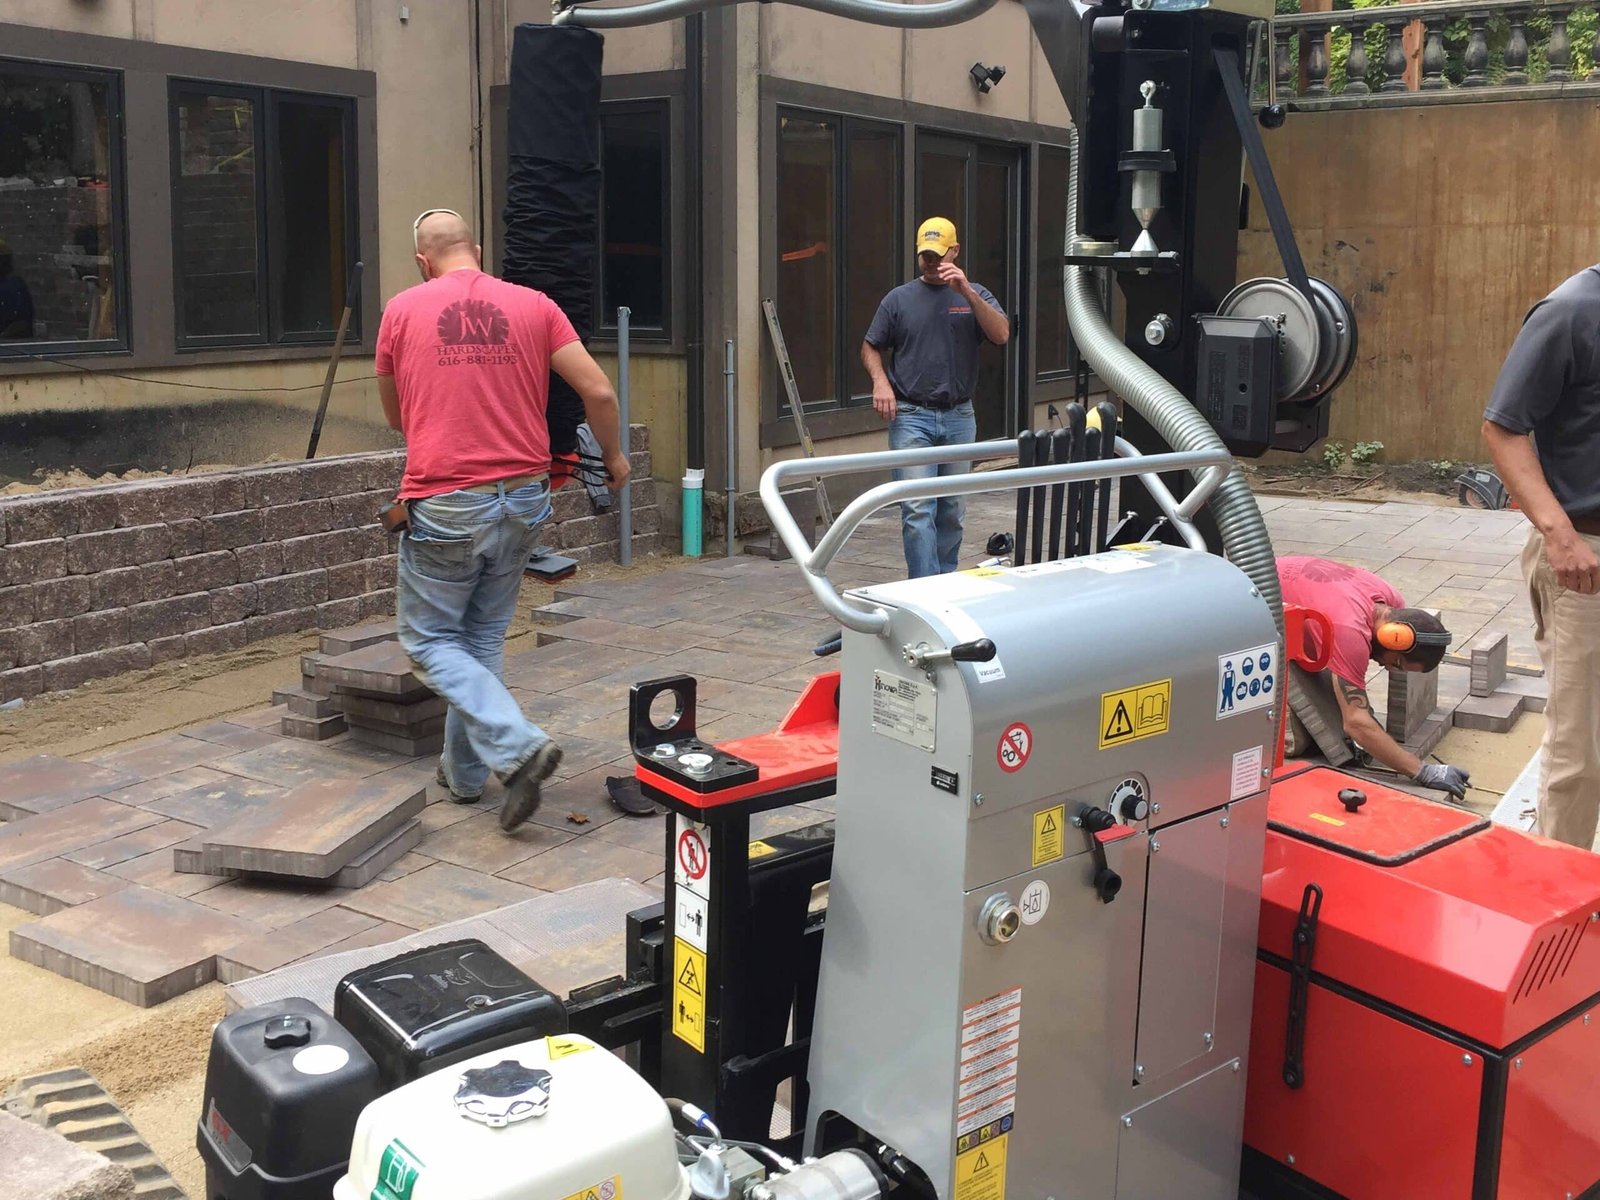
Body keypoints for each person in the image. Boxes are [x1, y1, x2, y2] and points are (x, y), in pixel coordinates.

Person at [377, 209, 629, 832]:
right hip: (523, 498)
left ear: (423, 261)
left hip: (447, 502)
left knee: (430, 642)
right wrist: (615, 458)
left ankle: (519, 748)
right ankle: (466, 778)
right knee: (482, 639)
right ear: (477, 250)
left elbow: (397, 418)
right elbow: (598, 392)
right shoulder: (535, 305)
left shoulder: (401, 311)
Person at [1483, 263, 1600, 850]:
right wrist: (1559, 533)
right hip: (1587, 560)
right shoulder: (1572, 312)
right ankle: (1560, 886)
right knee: (1581, 750)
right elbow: (1503, 428)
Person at [861, 217, 1009, 579]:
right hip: (911, 416)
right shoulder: (899, 299)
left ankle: (945, 580)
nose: (930, 262)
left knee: (952, 508)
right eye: (925, 255)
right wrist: (880, 383)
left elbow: (1002, 334)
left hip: (959, 416)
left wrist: (967, 292)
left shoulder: (975, 294)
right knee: (916, 508)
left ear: (954, 251)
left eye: (937, 255)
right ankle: (924, 586)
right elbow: (870, 346)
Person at [1278, 555, 1471, 799]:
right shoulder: (1350, 632)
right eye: (1397, 663)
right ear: (1393, 637)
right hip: (1247, 604)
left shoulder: (1390, 602)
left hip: (1279, 584)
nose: (1389, 668)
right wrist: (1422, 771)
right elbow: (1356, 723)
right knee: (1294, 739)